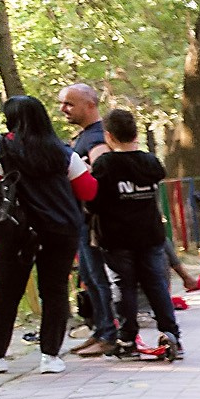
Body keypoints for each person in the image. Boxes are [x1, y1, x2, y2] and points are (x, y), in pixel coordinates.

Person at [0, 95, 96, 374]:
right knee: (54, 292)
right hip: (60, 230)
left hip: (16, 232)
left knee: (6, 292)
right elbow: (88, 190)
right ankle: (51, 357)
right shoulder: (64, 151)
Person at [89, 110, 182, 361]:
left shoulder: (105, 164)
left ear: (108, 136)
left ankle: (128, 338)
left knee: (123, 286)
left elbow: (94, 201)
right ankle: (172, 333)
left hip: (116, 237)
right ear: (136, 133)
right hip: (149, 234)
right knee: (156, 284)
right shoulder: (150, 162)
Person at [56, 82, 116, 354]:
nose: (63, 109)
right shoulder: (83, 136)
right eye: (62, 103)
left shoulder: (96, 138)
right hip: (80, 218)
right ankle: (99, 328)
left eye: (69, 103)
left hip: (95, 220)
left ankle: (108, 335)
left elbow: (102, 175)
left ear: (90, 104)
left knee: (98, 277)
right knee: (90, 278)